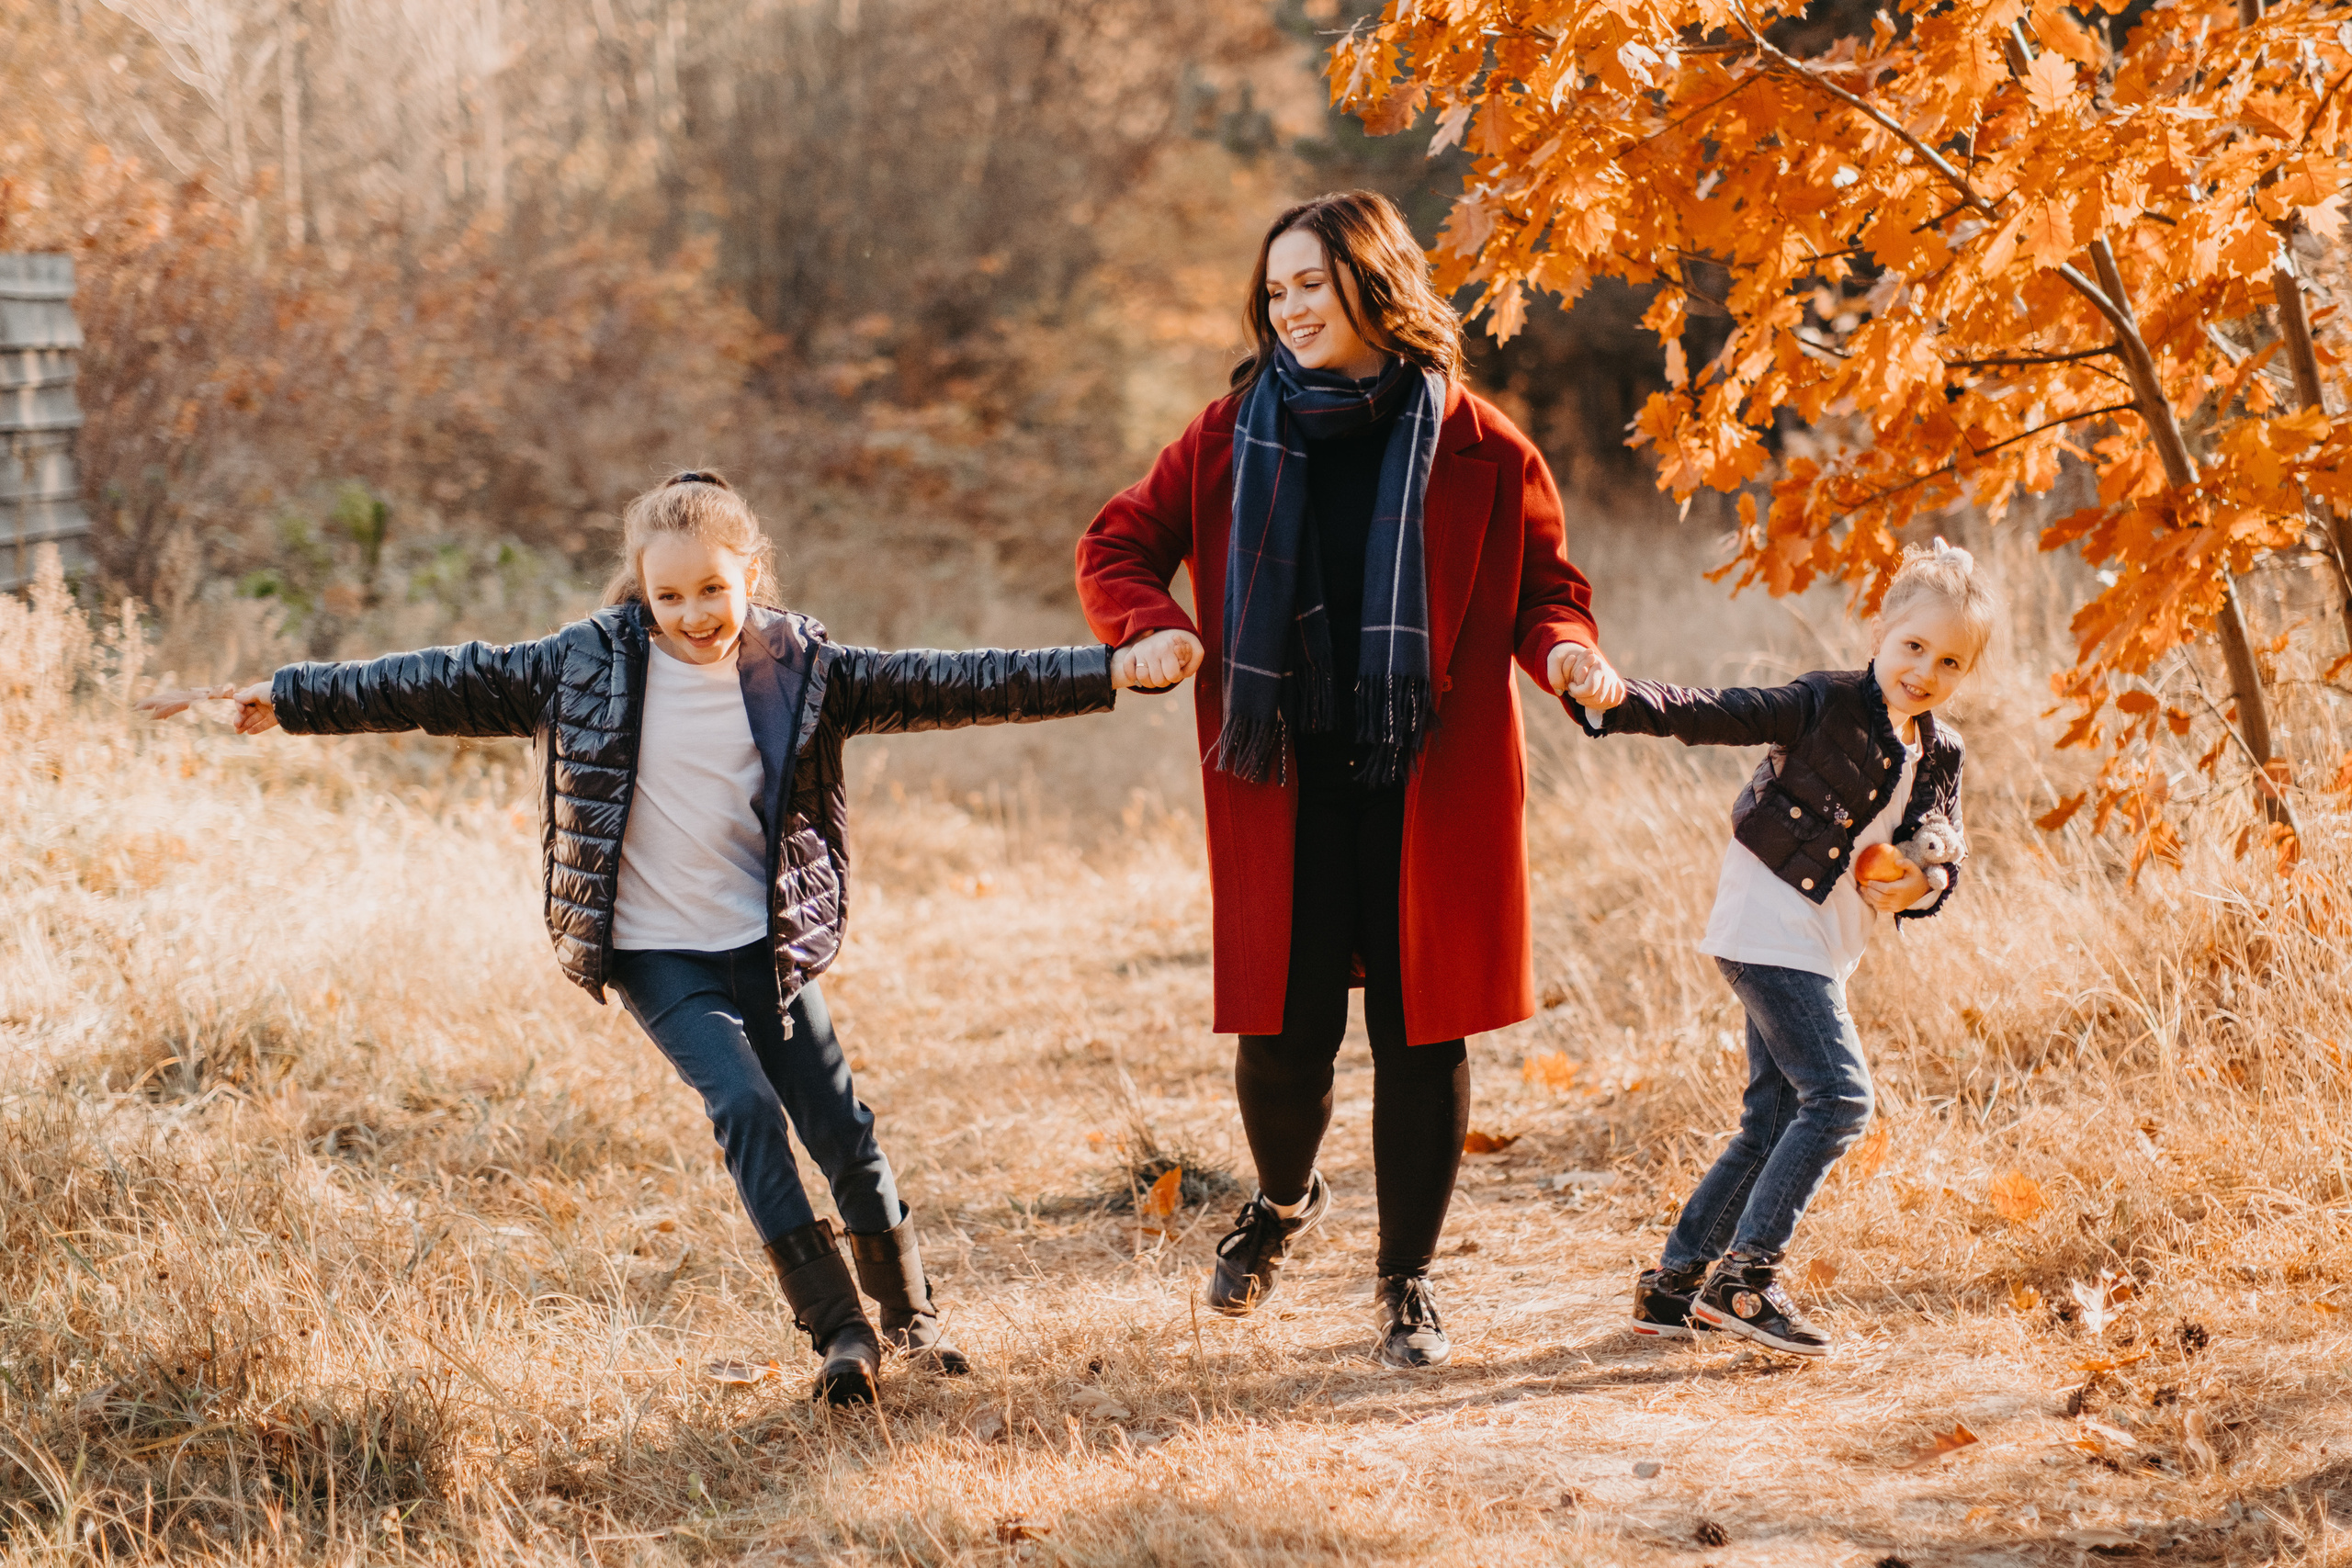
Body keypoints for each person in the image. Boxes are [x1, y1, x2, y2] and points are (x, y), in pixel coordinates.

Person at [141, 471, 1141, 1404]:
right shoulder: (582, 667)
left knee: (841, 1130)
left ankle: (912, 1317)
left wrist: (1110, 672)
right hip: (658, 953)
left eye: (714, 590)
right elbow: (433, 681)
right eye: (672, 600)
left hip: (766, 945)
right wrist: (289, 697)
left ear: (749, 573)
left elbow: (961, 681)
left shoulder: (809, 671)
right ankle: (842, 1334)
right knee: (744, 1105)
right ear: (642, 593)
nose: (697, 617)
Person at [1075, 190, 1614, 1369]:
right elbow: (1116, 546)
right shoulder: (1227, 436)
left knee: (1424, 1037)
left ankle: (1406, 1284)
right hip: (1282, 781)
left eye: (1309, 283)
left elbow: (1544, 592)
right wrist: (1148, 628)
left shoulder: (1481, 443)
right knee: (1285, 1033)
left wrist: (1565, 651)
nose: (1289, 308)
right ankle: (1280, 1204)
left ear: (1374, 281)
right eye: (1274, 291)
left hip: (1432, 777)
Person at [1565, 539, 1993, 1357]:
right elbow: (1719, 709)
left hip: (1825, 945)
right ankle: (1746, 1279)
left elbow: (1943, 840)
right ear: (1880, 630)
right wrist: (1617, 700)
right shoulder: (1822, 702)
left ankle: (1674, 1286)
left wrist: (1927, 880)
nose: (1925, 671)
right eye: (1913, 646)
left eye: (1949, 661)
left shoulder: (1940, 752)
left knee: (1771, 1118)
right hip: (1767, 923)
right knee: (1839, 1098)